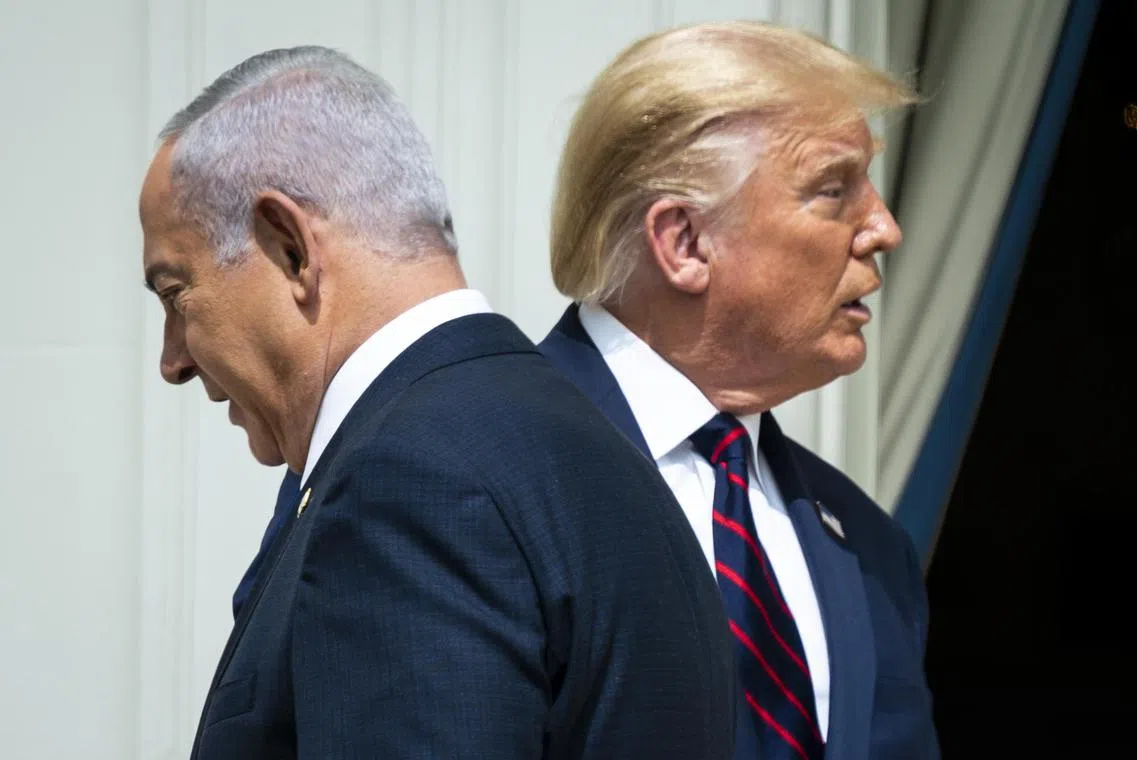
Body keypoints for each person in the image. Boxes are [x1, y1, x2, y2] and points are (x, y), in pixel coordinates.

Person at [140, 45, 735, 759]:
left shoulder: (408, 485)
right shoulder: (608, 458)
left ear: (290, 248)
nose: (173, 360)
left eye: (177, 295)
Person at [537, 22, 939, 759]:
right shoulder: (476, 471)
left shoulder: (869, 546)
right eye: (833, 188)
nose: (884, 227)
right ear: (685, 242)